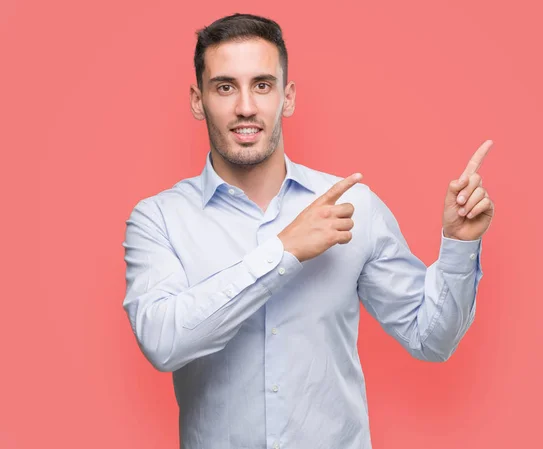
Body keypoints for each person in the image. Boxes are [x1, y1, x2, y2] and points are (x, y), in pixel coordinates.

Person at [122, 12, 495, 449]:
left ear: (288, 97)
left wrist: (459, 246)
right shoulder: (159, 219)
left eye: (262, 85)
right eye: (225, 87)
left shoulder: (353, 207)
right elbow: (163, 342)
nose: (246, 106)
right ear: (197, 99)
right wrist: (283, 251)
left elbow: (430, 338)